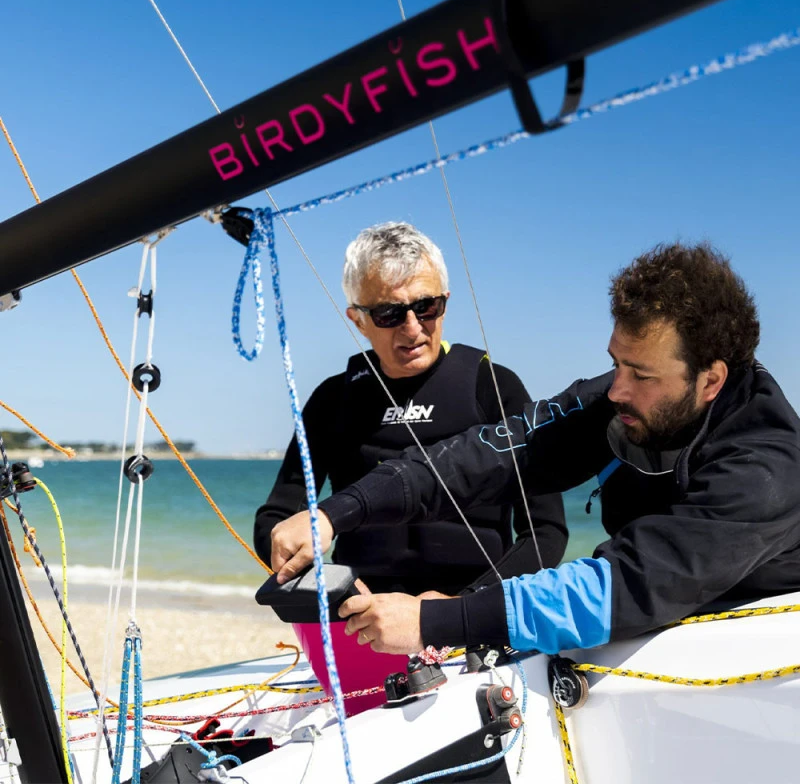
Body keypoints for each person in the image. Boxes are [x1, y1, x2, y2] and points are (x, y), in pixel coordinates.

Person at [271, 241, 800, 656]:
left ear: (711, 381)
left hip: (753, 651)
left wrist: (441, 621)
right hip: (648, 634)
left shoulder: (766, 468)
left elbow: (626, 584)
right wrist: (335, 513)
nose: (616, 388)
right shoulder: (621, 399)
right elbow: (482, 456)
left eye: (641, 373)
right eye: (616, 362)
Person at [255, 221, 566, 593]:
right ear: (357, 320)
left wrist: (462, 610)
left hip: (472, 606)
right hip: (363, 610)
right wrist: (335, 589)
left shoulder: (493, 386)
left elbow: (545, 532)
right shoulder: (332, 399)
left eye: (426, 306)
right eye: (389, 314)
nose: (413, 328)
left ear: (445, 302)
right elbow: (276, 520)